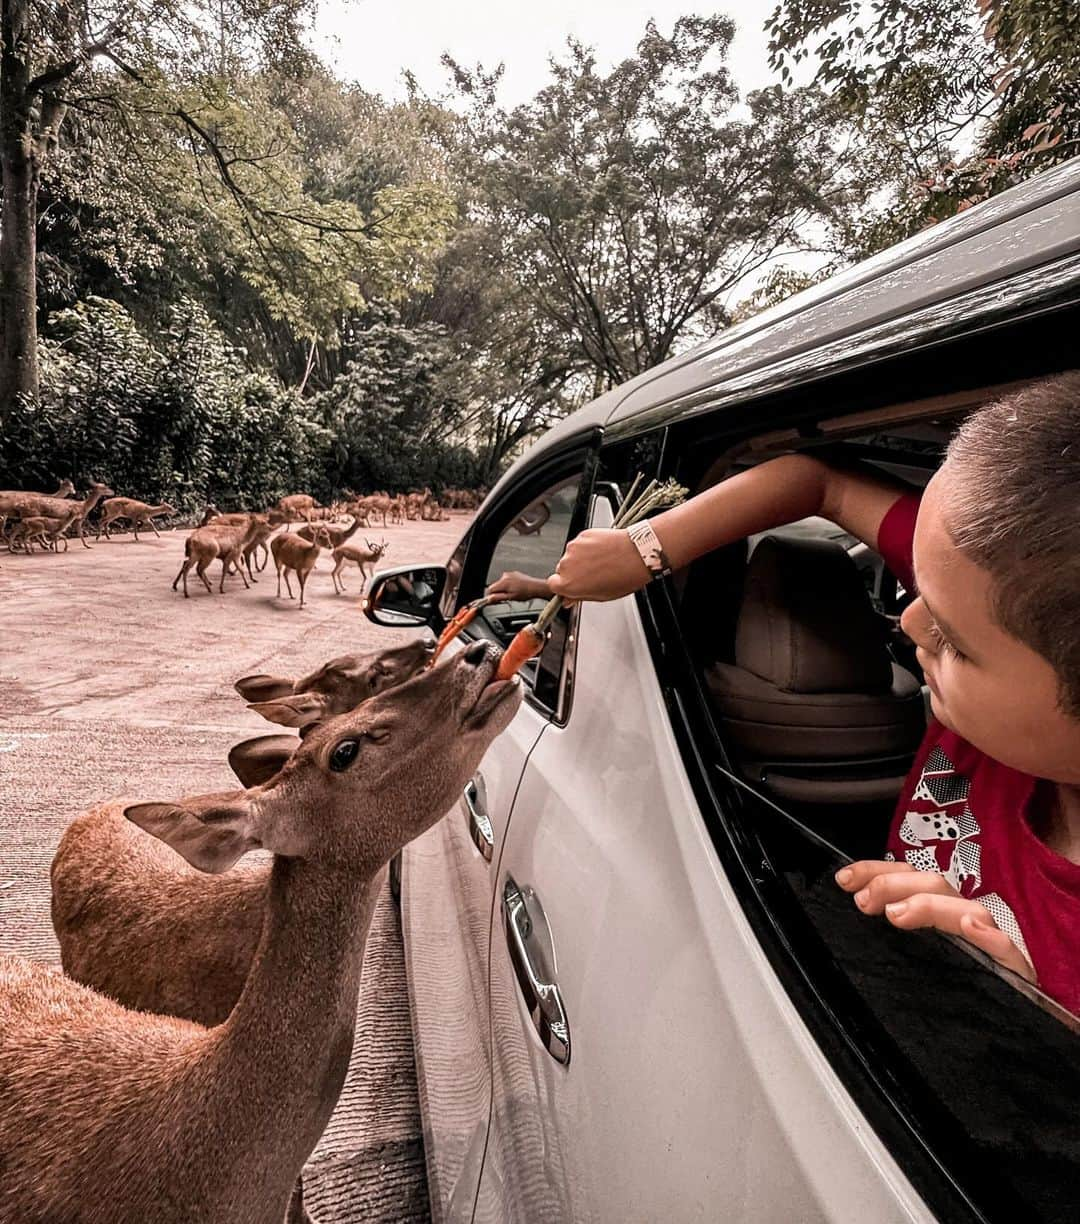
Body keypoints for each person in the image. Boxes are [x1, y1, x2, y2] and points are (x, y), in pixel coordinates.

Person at [487, 373, 1080, 1015]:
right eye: (913, 589)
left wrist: (1036, 1017)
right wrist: (647, 547)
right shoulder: (1002, 577)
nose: (906, 624)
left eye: (955, 642)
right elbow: (818, 481)